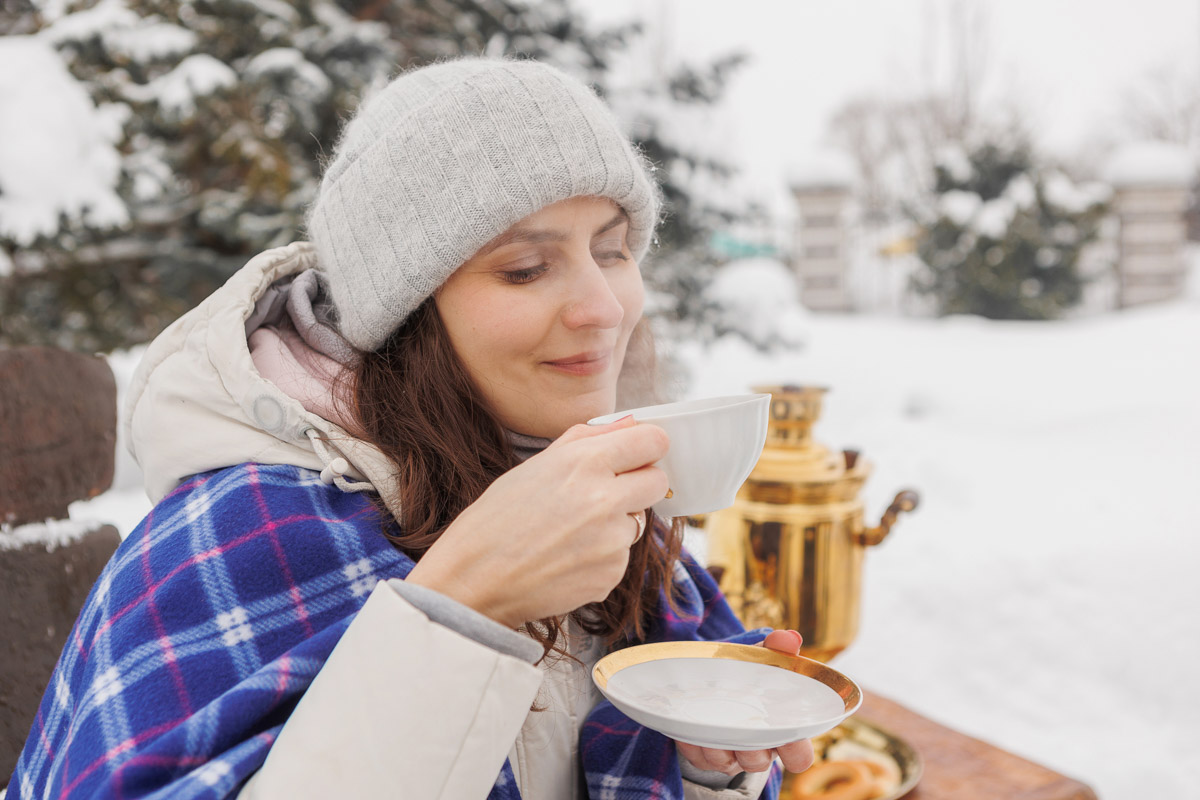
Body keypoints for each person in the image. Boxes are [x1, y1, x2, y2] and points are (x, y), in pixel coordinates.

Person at [10, 57, 814, 800]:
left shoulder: (602, 511)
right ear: (407, 313)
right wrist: (462, 607)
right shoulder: (233, 537)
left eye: (611, 252)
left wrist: (705, 769)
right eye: (525, 269)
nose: (604, 310)